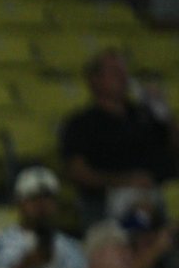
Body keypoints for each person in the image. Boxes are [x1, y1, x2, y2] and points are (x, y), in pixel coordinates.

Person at [60, 48, 178, 220]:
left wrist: (165, 114)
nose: (123, 78)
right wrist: (125, 181)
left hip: (162, 193)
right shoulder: (81, 123)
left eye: (124, 72)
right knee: (141, 212)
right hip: (115, 202)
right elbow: (77, 172)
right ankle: (139, 240)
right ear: (95, 80)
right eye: (115, 72)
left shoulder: (144, 114)